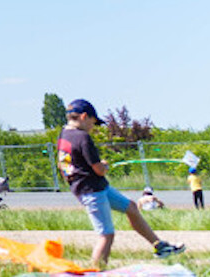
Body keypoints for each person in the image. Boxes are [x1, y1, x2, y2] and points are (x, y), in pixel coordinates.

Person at [57, 99, 184, 270]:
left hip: (95, 187)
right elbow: (99, 170)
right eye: (93, 123)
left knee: (131, 207)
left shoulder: (64, 134)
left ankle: (159, 245)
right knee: (106, 235)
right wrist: (105, 165)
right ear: (84, 116)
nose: (93, 127)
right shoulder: (83, 137)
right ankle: (95, 272)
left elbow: (63, 163)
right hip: (92, 190)